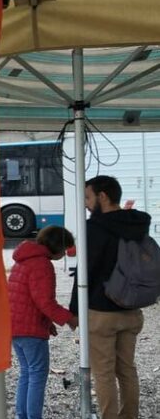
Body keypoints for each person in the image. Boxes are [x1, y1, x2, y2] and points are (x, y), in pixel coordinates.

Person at [70, 175, 149, 419]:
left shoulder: (94, 228)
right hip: (132, 310)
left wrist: (74, 310)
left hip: (101, 312)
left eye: (87, 197)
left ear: (102, 196)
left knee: (104, 373)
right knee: (127, 370)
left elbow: (86, 272)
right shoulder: (138, 224)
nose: (85, 204)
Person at [8, 226, 78, 419]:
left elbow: (29, 298)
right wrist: (69, 318)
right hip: (31, 330)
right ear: (57, 246)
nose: (65, 254)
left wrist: (48, 323)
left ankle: (22, 415)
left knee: (26, 373)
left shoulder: (23, 259)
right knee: (37, 374)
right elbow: (45, 302)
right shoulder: (42, 265)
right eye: (64, 249)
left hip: (15, 326)